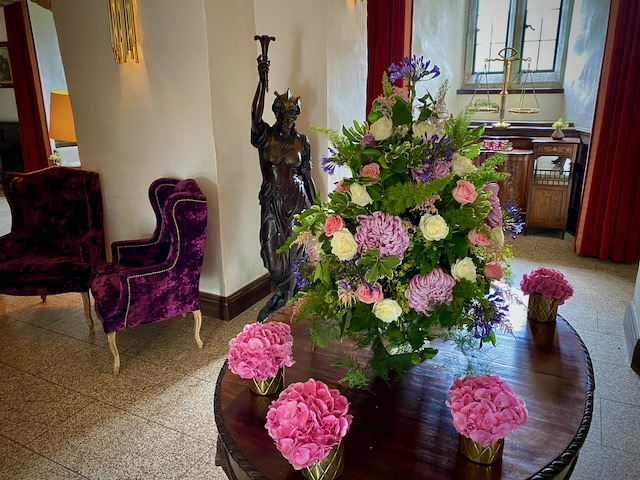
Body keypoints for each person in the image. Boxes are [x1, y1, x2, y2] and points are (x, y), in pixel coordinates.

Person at [251, 56, 316, 322]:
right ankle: (280, 297)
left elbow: (307, 176)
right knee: (272, 257)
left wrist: (317, 211)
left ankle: (292, 306)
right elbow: (254, 115)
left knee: (298, 257)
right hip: (272, 201)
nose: (287, 120)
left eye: (292, 115)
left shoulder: (302, 142)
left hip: (298, 201)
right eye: (282, 115)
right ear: (275, 114)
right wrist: (261, 81)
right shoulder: (265, 136)